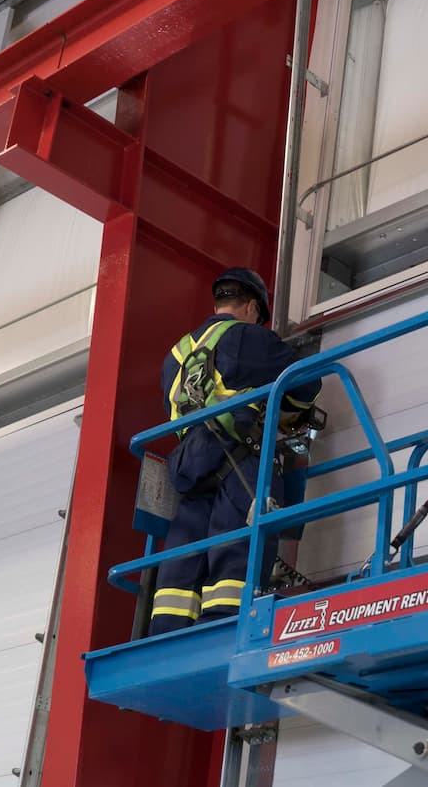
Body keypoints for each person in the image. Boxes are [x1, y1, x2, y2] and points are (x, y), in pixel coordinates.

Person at [149, 268, 321, 635]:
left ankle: (168, 631)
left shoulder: (175, 357)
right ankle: (226, 628)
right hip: (240, 460)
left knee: (186, 553)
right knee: (235, 551)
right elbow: (306, 384)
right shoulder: (248, 338)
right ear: (252, 308)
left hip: (191, 467)